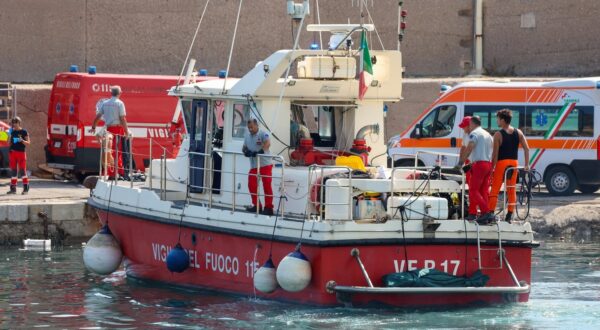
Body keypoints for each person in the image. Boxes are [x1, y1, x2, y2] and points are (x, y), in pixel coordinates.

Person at [488, 109, 530, 223]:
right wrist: (526, 165)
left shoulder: (498, 134)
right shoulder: (519, 132)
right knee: (511, 190)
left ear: (502, 120)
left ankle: (490, 213)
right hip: (514, 164)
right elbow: (527, 148)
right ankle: (509, 216)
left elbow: (495, 154)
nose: (497, 120)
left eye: (498, 118)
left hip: (502, 163)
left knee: (495, 189)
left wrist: (491, 168)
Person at [456, 116, 494, 224]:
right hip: (488, 163)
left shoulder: (474, 134)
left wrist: (460, 163)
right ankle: (484, 215)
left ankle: (486, 212)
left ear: (471, 124)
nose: (464, 129)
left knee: (473, 190)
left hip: (478, 164)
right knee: (483, 191)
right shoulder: (488, 134)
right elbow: (494, 150)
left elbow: (469, 147)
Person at [90, 86, 130, 179]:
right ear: (120, 93)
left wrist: (93, 127)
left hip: (108, 129)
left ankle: (109, 171)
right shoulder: (120, 103)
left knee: (108, 151)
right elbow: (122, 118)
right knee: (117, 152)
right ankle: (115, 173)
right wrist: (126, 131)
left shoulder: (105, 103)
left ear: (111, 93)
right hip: (117, 129)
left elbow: (98, 116)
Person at [243, 118, 274, 216]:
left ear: (256, 125)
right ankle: (257, 205)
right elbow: (244, 147)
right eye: (249, 128)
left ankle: (269, 207)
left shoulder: (262, 134)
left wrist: (261, 151)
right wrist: (246, 152)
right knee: (251, 184)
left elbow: (268, 143)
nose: (250, 129)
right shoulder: (247, 136)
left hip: (265, 164)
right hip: (254, 165)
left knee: (267, 185)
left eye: (252, 127)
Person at [7, 117, 30, 195]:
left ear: (19, 123)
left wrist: (22, 140)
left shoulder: (24, 132)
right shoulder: (12, 132)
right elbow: (9, 143)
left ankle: (26, 188)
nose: (14, 124)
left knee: (22, 171)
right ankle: (13, 189)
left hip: (21, 153)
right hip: (13, 153)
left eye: (16, 123)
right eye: (13, 123)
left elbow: (28, 143)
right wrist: (9, 136)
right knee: (13, 171)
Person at [457, 116, 473, 185]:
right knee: (469, 180)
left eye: (464, 126)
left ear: (469, 126)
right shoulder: (465, 134)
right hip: (467, 160)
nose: (463, 128)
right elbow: (463, 147)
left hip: (475, 161)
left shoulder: (476, 135)